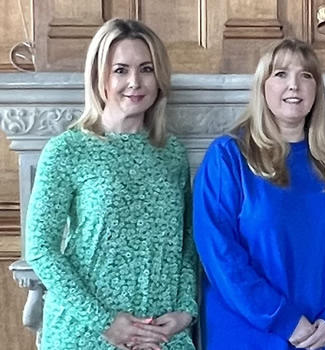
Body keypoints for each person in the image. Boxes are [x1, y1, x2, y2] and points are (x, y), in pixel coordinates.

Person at [25, 19, 197, 350]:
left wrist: (185, 312)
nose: (135, 81)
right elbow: (40, 249)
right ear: (99, 76)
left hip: (160, 335)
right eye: (120, 70)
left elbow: (186, 245)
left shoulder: (172, 153)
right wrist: (105, 323)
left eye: (146, 69)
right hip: (85, 333)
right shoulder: (68, 149)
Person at [193, 38, 325, 350]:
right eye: (280, 74)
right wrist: (284, 319)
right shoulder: (228, 157)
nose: (294, 85)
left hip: (322, 337)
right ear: (262, 86)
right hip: (248, 336)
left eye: (306, 76)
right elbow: (221, 256)